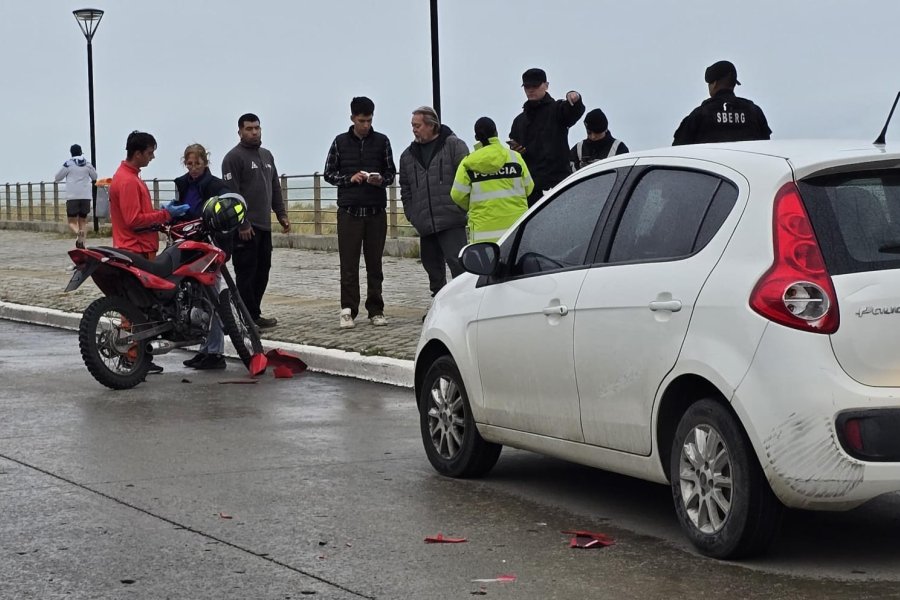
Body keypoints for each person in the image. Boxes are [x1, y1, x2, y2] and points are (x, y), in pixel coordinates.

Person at [109, 131, 190, 374]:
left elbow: (137, 214)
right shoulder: (128, 181)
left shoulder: (127, 177)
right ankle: (133, 358)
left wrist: (160, 215)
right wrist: (166, 215)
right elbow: (134, 220)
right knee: (137, 309)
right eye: (150, 152)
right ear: (138, 152)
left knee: (136, 308)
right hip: (137, 249)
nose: (152, 156)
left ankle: (137, 356)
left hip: (134, 246)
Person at [324, 96, 396, 329]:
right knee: (349, 263)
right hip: (349, 211)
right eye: (362, 120)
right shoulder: (339, 142)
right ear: (353, 118)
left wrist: (380, 180)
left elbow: (391, 173)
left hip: (375, 210)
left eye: (369, 120)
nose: (366, 125)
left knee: (375, 263)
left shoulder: (382, 141)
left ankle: (376, 309)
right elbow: (328, 173)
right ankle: (348, 309)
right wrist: (349, 179)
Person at [221, 113, 291, 330]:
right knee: (246, 273)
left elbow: (275, 187)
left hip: (264, 226)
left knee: (263, 271)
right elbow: (232, 194)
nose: (254, 132)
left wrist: (281, 214)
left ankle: (254, 313)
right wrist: (242, 223)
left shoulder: (267, 156)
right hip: (245, 229)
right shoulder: (233, 158)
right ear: (240, 131)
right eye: (249, 128)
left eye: (257, 128)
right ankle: (244, 317)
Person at [398, 106, 469, 298]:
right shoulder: (407, 156)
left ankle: (464, 304)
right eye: (412, 125)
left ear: (431, 125)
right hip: (425, 223)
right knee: (433, 270)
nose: (414, 129)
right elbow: (405, 188)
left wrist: (460, 208)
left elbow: (467, 179)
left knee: (459, 266)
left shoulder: (455, 146)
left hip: (451, 220)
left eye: (417, 125)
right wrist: (413, 215)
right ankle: (439, 306)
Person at [173, 143, 231, 370]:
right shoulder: (182, 183)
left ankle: (216, 351)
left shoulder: (216, 185)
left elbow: (225, 205)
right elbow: (180, 208)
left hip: (209, 244)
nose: (193, 168)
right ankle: (205, 348)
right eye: (189, 164)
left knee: (213, 298)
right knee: (197, 299)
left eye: (197, 164)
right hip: (188, 242)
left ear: (205, 163)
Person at [508, 67, 584, 207]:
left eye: (535, 86)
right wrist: (517, 151)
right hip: (531, 189)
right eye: (527, 86)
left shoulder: (557, 109)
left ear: (546, 85)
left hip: (557, 184)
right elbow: (513, 155)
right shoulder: (519, 121)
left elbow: (573, 111)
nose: (530, 90)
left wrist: (575, 97)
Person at [451, 117, 533, 243]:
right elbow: (529, 187)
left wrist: (475, 206)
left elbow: (457, 195)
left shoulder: (468, 163)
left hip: (482, 233)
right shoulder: (515, 158)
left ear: (476, 137)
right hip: (515, 230)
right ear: (496, 133)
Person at [673, 60, 772, 146]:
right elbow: (766, 146)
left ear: (714, 84)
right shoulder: (754, 112)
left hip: (708, 167)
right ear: (734, 84)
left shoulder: (699, 114)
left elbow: (678, 152)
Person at [54, 143, 97, 248]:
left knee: (72, 221)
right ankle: (82, 243)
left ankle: (78, 232)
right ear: (81, 152)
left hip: (72, 196)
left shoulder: (68, 164)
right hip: (86, 196)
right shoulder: (87, 164)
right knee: (82, 220)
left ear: (71, 153)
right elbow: (94, 176)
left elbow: (58, 177)